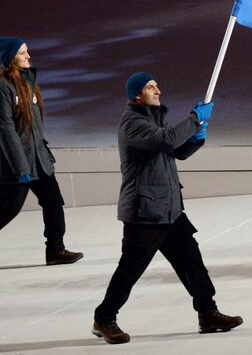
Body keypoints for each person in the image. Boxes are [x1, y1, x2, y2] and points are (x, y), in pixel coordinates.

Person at [92, 72, 242, 344]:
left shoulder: (153, 119)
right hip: (145, 212)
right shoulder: (133, 124)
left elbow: (176, 150)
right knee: (130, 268)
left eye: (157, 85)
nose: (157, 90)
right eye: (150, 87)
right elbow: (165, 141)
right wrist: (195, 119)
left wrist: (196, 139)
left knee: (191, 261)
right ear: (136, 95)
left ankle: (207, 313)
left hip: (170, 209)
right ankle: (104, 318)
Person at [0, 37, 83, 270]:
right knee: (8, 209)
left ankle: (55, 250)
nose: (28, 56)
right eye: (23, 53)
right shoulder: (0, 88)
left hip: (39, 160)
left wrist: (44, 154)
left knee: (53, 201)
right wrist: (21, 167)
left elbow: (33, 128)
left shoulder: (28, 83)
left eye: (27, 52)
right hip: (17, 164)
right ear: (11, 57)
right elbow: (4, 130)